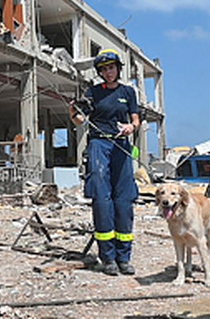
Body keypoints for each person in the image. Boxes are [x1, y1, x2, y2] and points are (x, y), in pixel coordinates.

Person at [69, 48, 139, 276]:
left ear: (118, 68)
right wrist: (72, 110)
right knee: (102, 200)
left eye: (111, 68)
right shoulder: (93, 92)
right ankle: (107, 258)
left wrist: (131, 127)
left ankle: (124, 257)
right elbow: (80, 120)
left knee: (124, 200)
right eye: (104, 69)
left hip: (121, 146)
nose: (108, 72)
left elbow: (135, 119)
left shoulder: (128, 92)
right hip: (99, 145)